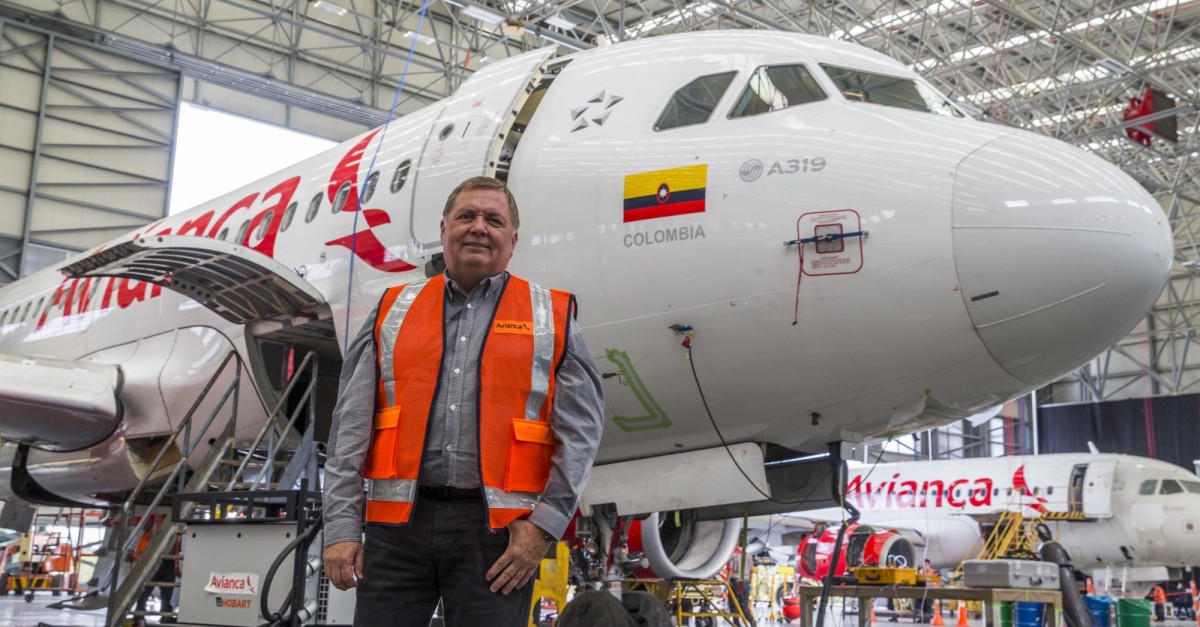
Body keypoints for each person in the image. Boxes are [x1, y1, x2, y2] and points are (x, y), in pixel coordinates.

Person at [322, 176, 605, 627]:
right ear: (443, 230)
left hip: (498, 537)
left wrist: (543, 527)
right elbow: (349, 431)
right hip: (397, 529)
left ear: (512, 241)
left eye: (494, 220)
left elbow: (582, 435)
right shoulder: (392, 308)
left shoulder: (550, 314)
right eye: (466, 216)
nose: (478, 227)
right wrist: (340, 528)